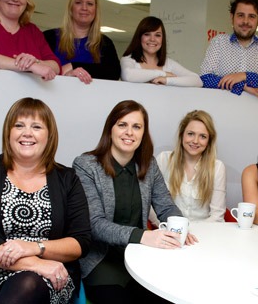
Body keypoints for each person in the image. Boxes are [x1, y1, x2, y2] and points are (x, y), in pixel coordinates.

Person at [0, 98, 92, 304]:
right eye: (19, 125)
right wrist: (35, 264)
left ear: (49, 136)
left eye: (36, 126)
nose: (26, 133)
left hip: (50, 277)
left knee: (29, 283)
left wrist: (35, 248)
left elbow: (80, 242)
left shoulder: (68, 179)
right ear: (8, 133)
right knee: (27, 281)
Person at [72, 100, 197, 303]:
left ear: (143, 133)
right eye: (122, 125)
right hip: (102, 260)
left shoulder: (148, 165)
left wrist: (179, 227)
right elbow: (95, 224)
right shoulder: (86, 165)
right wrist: (144, 236)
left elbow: (165, 205)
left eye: (137, 126)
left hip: (141, 256)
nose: (129, 132)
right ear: (110, 129)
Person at [199, 0, 258, 102]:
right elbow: (205, 79)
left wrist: (245, 76)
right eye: (240, 15)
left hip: (256, 112)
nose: (245, 21)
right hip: (221, 109)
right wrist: (242, 86)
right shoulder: (218, 42)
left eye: (251, 17)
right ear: (232, 17)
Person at [154, 110, 226, 222]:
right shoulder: (163, 160)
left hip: (204, 234)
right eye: (190, 134)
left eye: (202, 136)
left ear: (209, 141)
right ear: (182, 135)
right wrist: (170, 229)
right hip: (167, 231)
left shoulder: (217, 167)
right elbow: (149, 206)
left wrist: (190, 235)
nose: (195, 141)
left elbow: (217, 216)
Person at [43, 0, 121, 84]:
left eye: (89, 4)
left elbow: (113, 73)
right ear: (71, 7)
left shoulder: (105, 43)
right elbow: (37, 69)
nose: (84, 8)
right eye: (78, 2)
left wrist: (73, 66)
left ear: (95, 9)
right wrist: (66, 74)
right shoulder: (49, 37)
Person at [121, 16, 202, 87]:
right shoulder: (128, 59)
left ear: (162, 39)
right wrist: (162, 74)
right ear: (139, 37)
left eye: (157, 35)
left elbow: (197, 81)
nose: (152, 39)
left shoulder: (168, 63)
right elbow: (128, 75)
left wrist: (167, 80)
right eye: (147, 34)